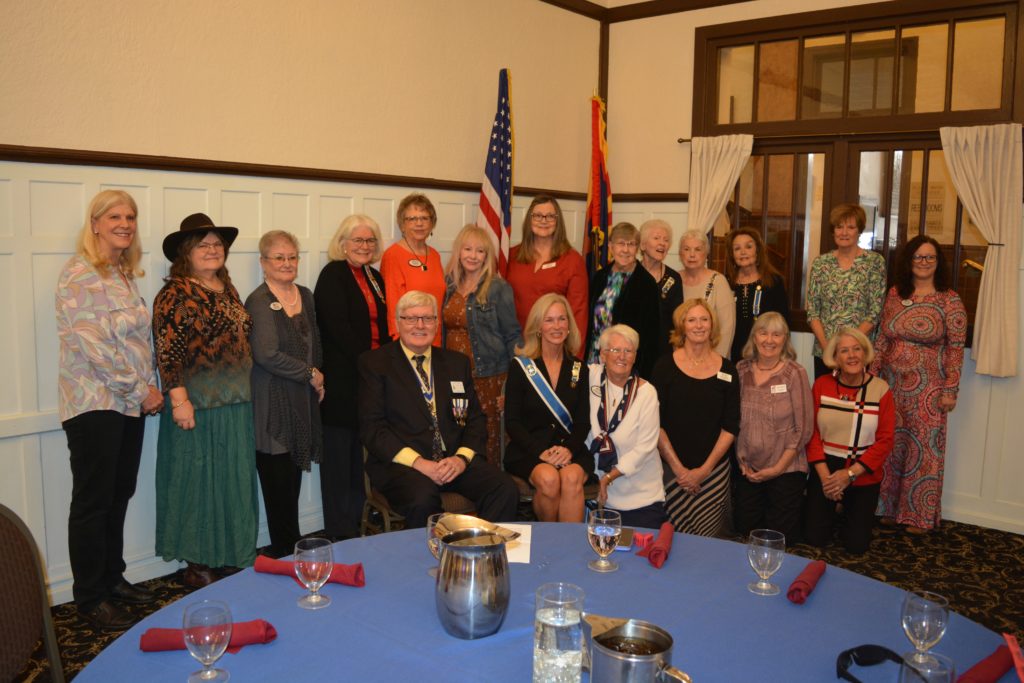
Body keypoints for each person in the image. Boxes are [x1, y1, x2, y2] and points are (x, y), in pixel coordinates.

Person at [56, 190, 162, 630]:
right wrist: (141, 390)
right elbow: (95, 348)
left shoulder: (121, 273)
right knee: (93, 502)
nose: (125, 222)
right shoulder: (79, 274)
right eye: (115, 216)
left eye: (131, 216)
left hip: (127, 405)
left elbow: (136, 341)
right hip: (95, 403)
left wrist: (146, 389)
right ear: (95, 223)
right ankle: (89, 598)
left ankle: (112, 577)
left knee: (118, 494)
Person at [153, 213, 259, 588]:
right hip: (198, 406)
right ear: (187, 252)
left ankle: (229, 554)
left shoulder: (227, 289)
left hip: (236, 403)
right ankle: (197, 563)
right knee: (197, 482)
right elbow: (168, 353)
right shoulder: (175, 293)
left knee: (232, 482)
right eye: (203, 244)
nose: (213, 250)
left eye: (217, 244)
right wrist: (179, 401)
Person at [358, 290, 518, 529]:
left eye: (428, 318)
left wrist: (461, 459)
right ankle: (431, 561)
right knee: (422, 499)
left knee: (504, 488)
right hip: (404, 466)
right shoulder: (375, 364)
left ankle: (482, 552)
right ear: (397, 323)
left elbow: (475, 419)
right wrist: (420, 463)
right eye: (411, 318)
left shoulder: (456, 363)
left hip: (453, 460)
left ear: (437, 323)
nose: (420, 325)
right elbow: (373, 429)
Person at [872, 235, 967, 534]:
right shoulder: (895, 294)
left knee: (923, 451)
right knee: (891, 445)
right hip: (890, 384)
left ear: (938, 263)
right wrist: (870, 377)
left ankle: (918, 517)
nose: (924, 263)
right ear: (908, 261)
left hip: (929, 389)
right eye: (918, 257)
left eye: (930, 257)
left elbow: (956, 347)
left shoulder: (949, 299)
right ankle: (887, 509)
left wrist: (951, 389)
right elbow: (882, 338)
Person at [246, 230, 324, 558]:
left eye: (292, 256)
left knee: (292, 482)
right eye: (278, 257)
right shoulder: (259, 301)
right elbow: (265, 354)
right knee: (278, 487)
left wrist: (318, 377)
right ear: (264, 263)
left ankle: (290, 550)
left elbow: (316, 342)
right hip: (273, 405)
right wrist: (309, 373)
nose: (286, 263)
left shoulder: (304, 294)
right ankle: (284, 553)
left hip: (303, 400)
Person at [314, 214, 388, 540]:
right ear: (342, 243)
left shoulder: (374, 277)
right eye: (357, 240)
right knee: (338, 461)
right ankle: (339, 531)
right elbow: (337, 328)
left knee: (359, 460)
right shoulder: (332, 275)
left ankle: (358, 523)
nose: (364, 246)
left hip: (369, 378)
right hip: (342, 381)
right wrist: (372, 362)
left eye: (370, 240)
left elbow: (382, 326)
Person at [651, 299, 740, 537]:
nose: (699, 325)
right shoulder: (663, 366)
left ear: (712, 325)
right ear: (682, 327)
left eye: (704, 319)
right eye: (692, 320)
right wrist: (680, 470)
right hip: (671, 472)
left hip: (712, 474)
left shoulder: (728, 370)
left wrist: (704, 470)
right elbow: (655, 424)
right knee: (671, 541)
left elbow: (731, 426)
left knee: (711, 545)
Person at [804, 328, 895, 554]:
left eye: (857, 349)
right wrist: (827, 479)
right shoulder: (822, 385)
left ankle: (844, 505)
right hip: (826, 469)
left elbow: (885, 440)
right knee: (814, 539)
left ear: (865, 354)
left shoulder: (880, 389)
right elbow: (812, 433)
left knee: (856, 546)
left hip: (862, 472)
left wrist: (849, 475)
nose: (852, 355)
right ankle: (833, 503)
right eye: (844, 351)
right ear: (835, 358)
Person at [504, 293, 591, 522]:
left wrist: (569, 449)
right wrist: (540, 452)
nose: (557, 326)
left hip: (569, 448)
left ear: (569, 326)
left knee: (571, 478)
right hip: (529, 449)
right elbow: (512, 422)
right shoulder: (521, 367)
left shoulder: (579, 369)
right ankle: (550, 548)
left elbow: (583, 422)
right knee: (550, 479)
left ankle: (569, 550)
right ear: (538, 326)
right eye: (549, 320)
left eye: (562, 319)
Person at [443, 224, 522, 467]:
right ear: (459, 251)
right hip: (454, 376)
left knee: (489, 437)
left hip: (488, 377)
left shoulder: (498, 288)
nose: (473, 256)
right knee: (459, 430)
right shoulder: (449, 286)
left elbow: (513, 336)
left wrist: (512, 386)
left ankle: (494, 490)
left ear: (487, 257)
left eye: (480, 251)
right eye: (468, 249)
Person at [734, 312, 812, 542]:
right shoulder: (741, 370)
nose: (769, 340)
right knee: (744, 530)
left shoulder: (795, 373)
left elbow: (804, 428)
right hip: (748, 468)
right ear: (754, 337)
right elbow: (734, 421)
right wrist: (742, 462)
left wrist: (777, 468)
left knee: (779, 536)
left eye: (776, 334)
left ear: (785, 339)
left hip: (786, 468)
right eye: (763, 332)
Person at [587, 324, 666, 530]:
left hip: (640, 497)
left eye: (628, 351)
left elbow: (645, 448)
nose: (622, 356)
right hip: (598, 496)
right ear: (603, 355)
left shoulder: (646, 393)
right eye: (615, 350)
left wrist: (608, 478)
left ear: (635, 356)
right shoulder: (590, 377)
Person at [806, 203, 886, 378]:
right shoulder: (821, 263)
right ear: (833, 231)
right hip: (825, 351)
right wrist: (829, 347)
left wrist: (846, 347)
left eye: (850, 227)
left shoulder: (874, 262)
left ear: (859, 231)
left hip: (858, 351)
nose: (844, 232)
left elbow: (875, 312)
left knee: (857, 403)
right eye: (839, 227)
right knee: (826, 402)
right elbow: (813, 312)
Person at [506, 195, 589, 342]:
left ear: (558, 221)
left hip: (553, 346)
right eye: (538, 216)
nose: (543, 221)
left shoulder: (573, 260)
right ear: (529, 220)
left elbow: (578, 314)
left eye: (550, 216)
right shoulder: (512, 255)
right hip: (514, 342)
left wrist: (573, 357)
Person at [585, 222, 660, 378]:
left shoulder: (647, 284)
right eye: (620, 243)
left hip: (626, 364)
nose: (625, 250)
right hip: (595, 359)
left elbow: (652, 336)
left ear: (638, 248)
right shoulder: (599, 277)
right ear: (611, 246)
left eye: (631, 244)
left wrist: (641, 373)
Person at [380, 193, 445, 346]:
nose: (419, 223)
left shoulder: (435, 255)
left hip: (434, 337)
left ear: (432, 223)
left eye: (424, 218)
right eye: (412, 219)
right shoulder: (393, 255)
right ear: (402, 225)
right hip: (409, 339)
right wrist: (399, 343)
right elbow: (392, 306)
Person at [725, 227, 790, 362]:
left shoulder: (773, 281)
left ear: (758, 251)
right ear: (732, 255)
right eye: (737, 248)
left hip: (766, 349)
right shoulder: (726, 283)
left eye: (748, 247)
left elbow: (784, 322)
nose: (743, 252)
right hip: (733, 351)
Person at [678, 229, 735, 358]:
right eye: (686, 249)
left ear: (706, 254)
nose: (692, 255)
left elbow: (727, 328)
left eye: (698, 249)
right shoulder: (674, 279)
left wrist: (715, 361)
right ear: (680, 254)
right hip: (680, 357)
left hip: (711, 357)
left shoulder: (718, 281)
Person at [639, 219, 683, 356]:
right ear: (643, 245)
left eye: (666, 240)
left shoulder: (673, 278)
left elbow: (678, 319)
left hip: (664, 350)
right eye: (656, 238)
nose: (662, 243)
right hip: (634, 348)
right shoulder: (631, 274)